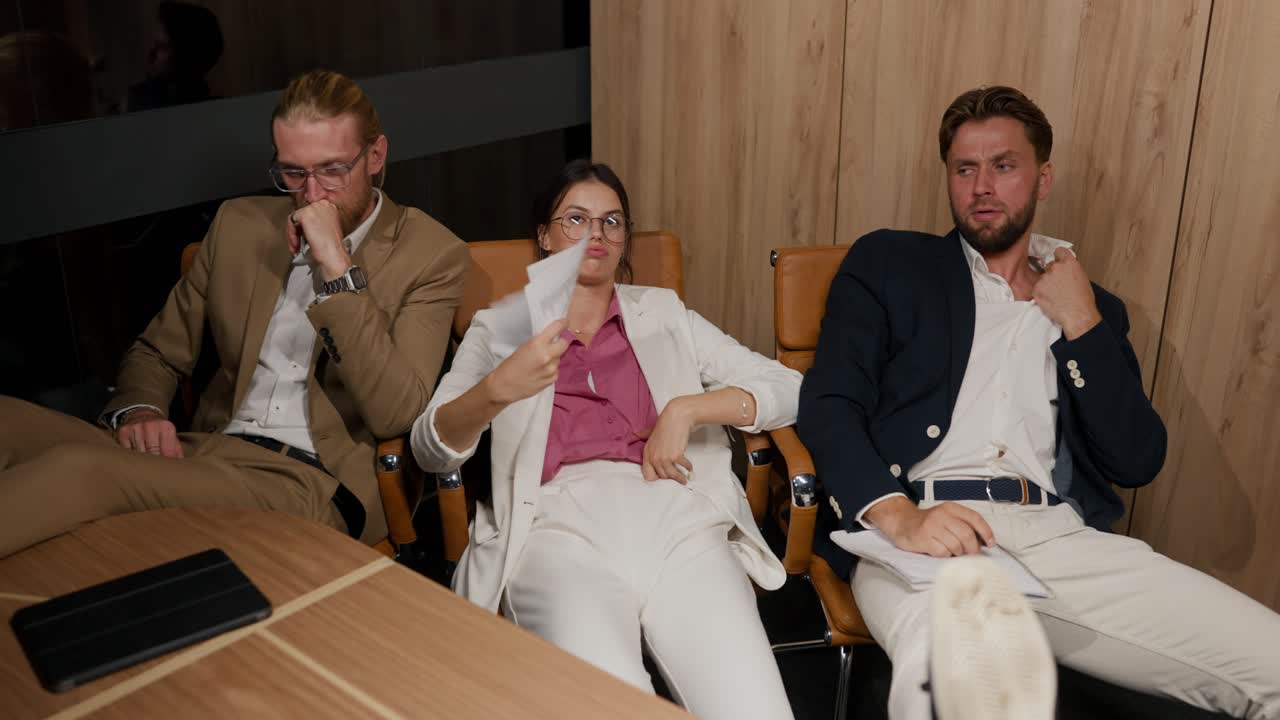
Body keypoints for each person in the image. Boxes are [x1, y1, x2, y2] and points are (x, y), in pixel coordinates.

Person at [798, 85, 1280, 720]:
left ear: (1043, 176)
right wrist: (896, 516)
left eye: (1004, 166)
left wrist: (1083, 325)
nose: (981, 187)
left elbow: (1136, 459)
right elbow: (830, 404)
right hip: (924, 527)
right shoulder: (892, 262)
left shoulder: (1091, 304)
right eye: (965, 169)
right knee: (962, 685)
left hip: (1059, 540)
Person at [0, 69, 469, 556]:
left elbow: (397, 413)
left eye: (332, 170)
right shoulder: (239, 225)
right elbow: (156, 352)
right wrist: (140, 409)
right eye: (293, 172)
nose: (312, 194)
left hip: (311, 481)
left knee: (83, 473)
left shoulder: (431, 254)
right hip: (206, 452)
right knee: (6, 420)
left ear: (375, 156)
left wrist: (336, 264)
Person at [412, 160, 798, 719]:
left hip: (678, 517)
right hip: (554, 528)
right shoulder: (501, 329)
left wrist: (687, 410)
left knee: (755, 709)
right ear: (543, 236)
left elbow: (789, 386)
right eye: (576, 219)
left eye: (611, 221)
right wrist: (496, 389)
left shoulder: (662, 313)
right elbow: (430, 446)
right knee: (613, 704)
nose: (595, 234)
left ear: (623, 240)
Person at [126, 0, 223, 111]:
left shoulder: (214, 110)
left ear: (185, 56)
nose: (151, 53)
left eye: (162, 46)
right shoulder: (139, 100)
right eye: (155, 44)